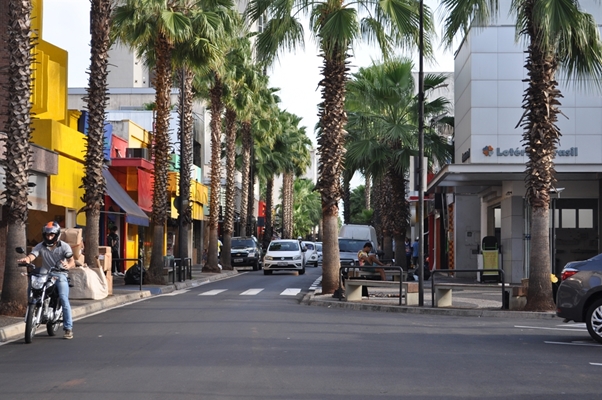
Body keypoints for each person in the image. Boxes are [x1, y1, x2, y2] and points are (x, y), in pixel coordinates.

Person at [18, 221, 75, 340]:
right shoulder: (40, 245)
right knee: (32, 287)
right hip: (44, 274)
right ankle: (33, 307)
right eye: (47, 235)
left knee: (64, 298)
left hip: (60, 274)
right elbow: (33, 255)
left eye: (52, 235)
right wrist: (27, 260)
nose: (49, 237)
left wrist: (67, 266)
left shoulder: (64, 246)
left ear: (57, 234)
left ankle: (68, 328)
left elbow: (72, 261)